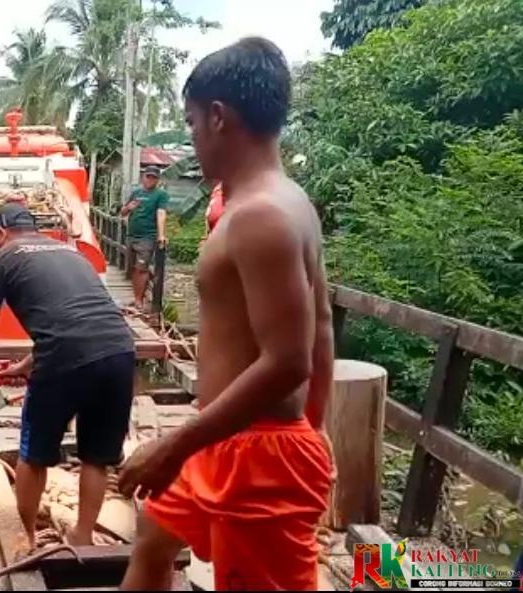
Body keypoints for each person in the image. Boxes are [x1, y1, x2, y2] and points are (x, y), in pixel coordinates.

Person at [118, 37, 336, 591]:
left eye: (191, 122)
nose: (192, 138)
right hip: (225, 436)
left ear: (218, 117)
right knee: (154, 535)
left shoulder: (261, 216)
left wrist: (172, 444)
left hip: (259, 452)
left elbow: (289, 361)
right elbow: (322, 329)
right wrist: (317, 425)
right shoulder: (287, 201)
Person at [0, 201, 136, 549]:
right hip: (120, 352)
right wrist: (26, 365)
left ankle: (24, 538)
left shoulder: (4, 258)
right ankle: (83, 536)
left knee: (34, 455)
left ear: (0, 233)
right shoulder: (72, 253)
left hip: (63, 359)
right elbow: (78, 320)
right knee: (97, 458)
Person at [119, 165, 170, 311]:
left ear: (157, 180)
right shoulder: (136, 192)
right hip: (131, 236)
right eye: (148, 177)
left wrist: (161, 235)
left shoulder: (160, 195)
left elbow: (161, 213)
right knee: (132, 269)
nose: (150, 180)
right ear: (143, 177)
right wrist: (128, 208)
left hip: (147, 237)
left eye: (154, 178)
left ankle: (139, 301)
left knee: (142, 268)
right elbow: (123, 212)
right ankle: (136, 298)